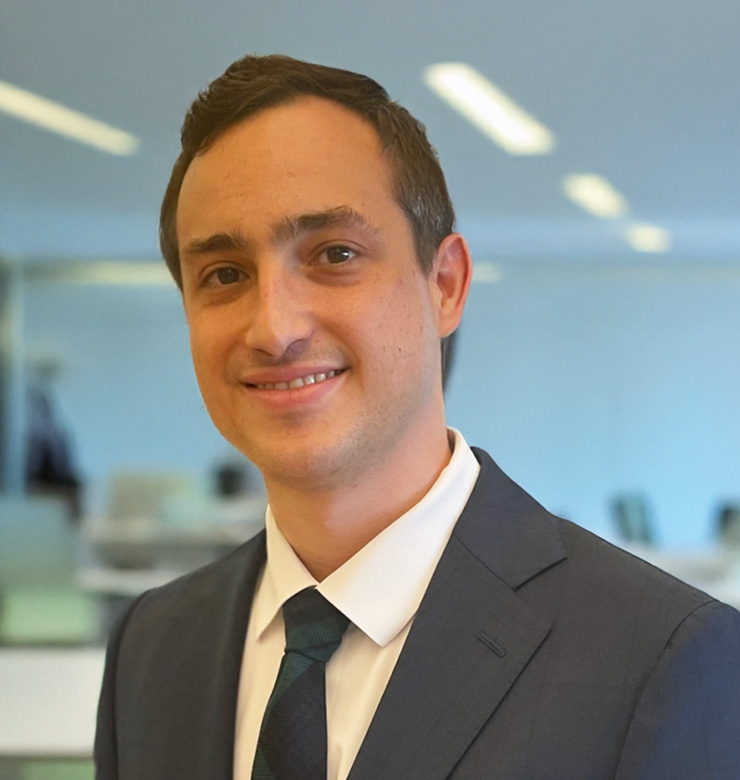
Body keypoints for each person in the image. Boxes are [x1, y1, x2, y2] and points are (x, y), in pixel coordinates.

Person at [94, 54, 740, 779]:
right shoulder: (151, 646)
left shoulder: (663, 658)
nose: (273, 328)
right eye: (225, 275)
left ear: (446, 285)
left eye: (334, 253)